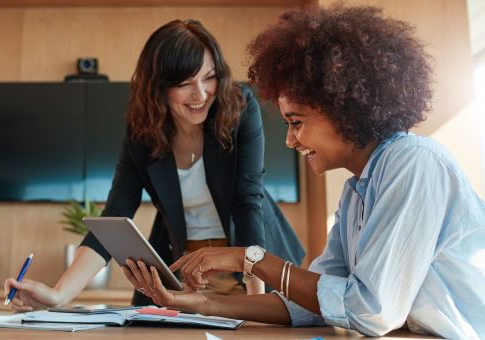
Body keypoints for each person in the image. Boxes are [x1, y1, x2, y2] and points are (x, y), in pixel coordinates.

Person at [122, 5, 485, 339]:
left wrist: (250, 258)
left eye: (296, 122)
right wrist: (197, 304)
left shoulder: (414, 164)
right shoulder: (357, 191)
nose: (291, 140)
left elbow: (370, 310)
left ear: (343, 108)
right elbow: (311, 303)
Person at [4, 19, 304, 310]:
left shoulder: (239, 107)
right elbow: (115, 217)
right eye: (185, 83)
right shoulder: (143, 134)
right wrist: (58, 295)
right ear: (159, 87)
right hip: (185, 276)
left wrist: (255, 304)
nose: (201, 94)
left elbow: (247, 201)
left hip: (252, 267)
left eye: (209, 77)